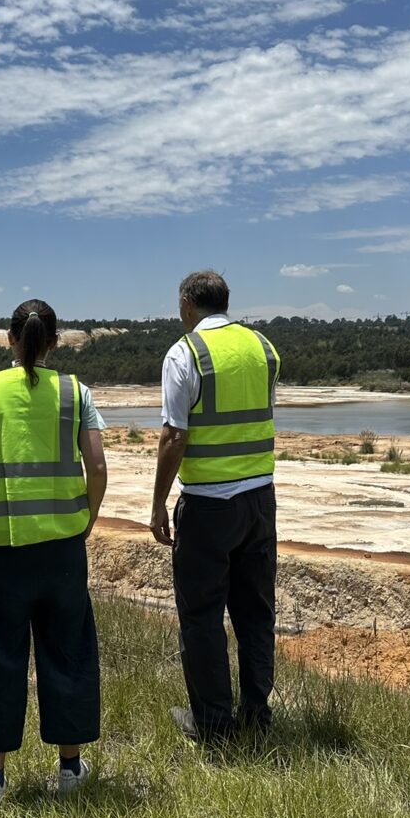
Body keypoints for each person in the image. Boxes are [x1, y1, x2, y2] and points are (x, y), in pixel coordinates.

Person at [0, 298, 107, 805]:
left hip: (1, 549)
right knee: (68, 652)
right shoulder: (74, 391)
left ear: (10, 340)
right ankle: (69, 769)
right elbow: (97, 466)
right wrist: (87, 517)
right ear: (54, 342)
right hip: (62, 546)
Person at [149, 271, 280, 743]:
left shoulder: (185, 353)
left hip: (208, 505)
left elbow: (174, 436)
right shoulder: (263, 348)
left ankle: (212, 724)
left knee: (202, 617)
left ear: (187, 304)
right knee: (256, 613)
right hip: (261, 500)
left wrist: (159, 502)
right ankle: (256, 715)